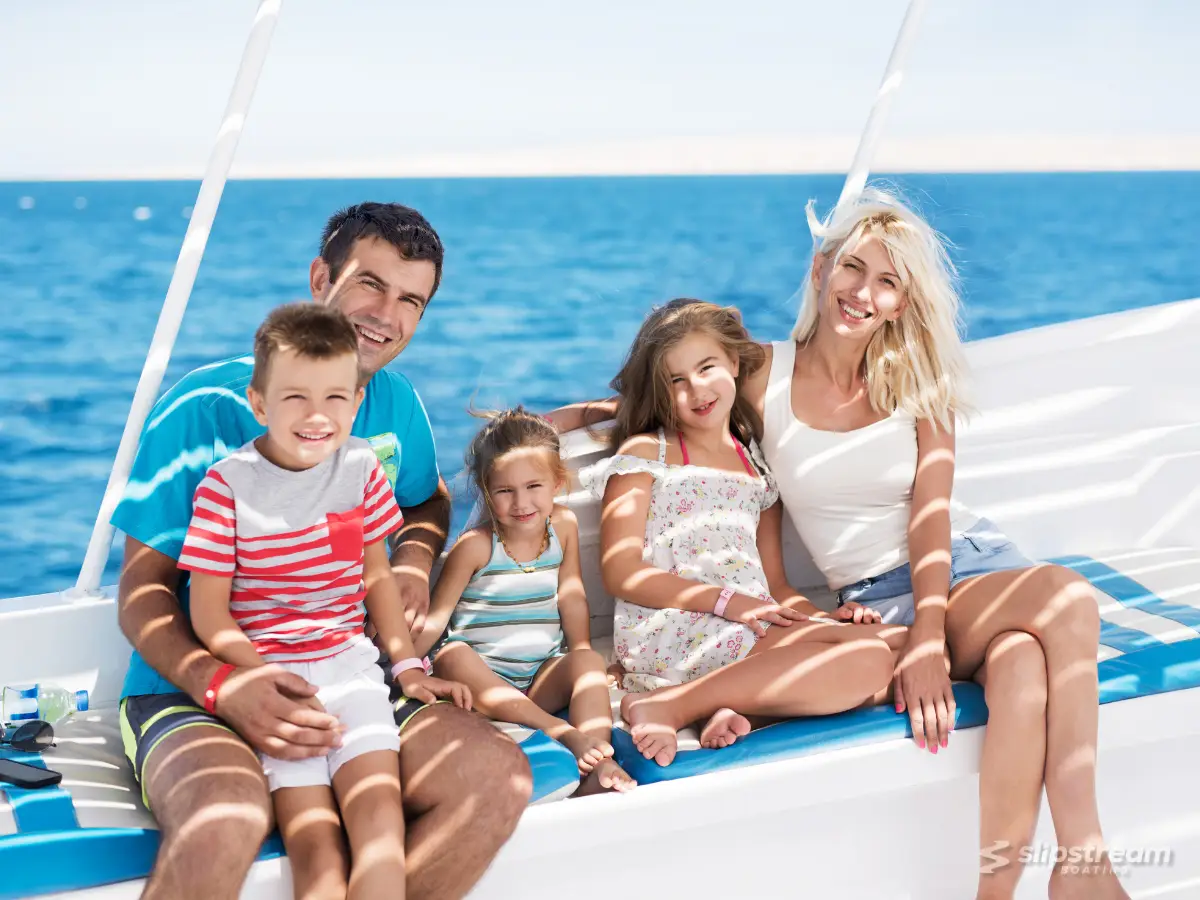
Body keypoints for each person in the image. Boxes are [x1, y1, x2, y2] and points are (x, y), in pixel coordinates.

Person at [550, 189, 1126, 900]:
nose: (863, 292)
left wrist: (928, 639)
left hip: (967, 572)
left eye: (888, 281)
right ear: (822, 268)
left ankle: (1049, 877)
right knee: (1042, 633)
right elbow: (668, 394)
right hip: (883, 598)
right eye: (854, 267)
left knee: (1045, 629)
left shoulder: (920, 385)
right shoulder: (764, 373)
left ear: (903, 302)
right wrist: (546, 425)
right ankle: (1064, 875)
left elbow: (932, 520)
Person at [112, 203, 531, 900]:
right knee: (224, 819)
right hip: (189, 688)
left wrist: (411, 562)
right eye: (370, 283)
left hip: (346, 669)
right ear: (320, 279)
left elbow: (426, 501)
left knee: (496, 778)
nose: (386, 315)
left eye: (411, 300)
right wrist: (222, 684)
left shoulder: (395, 406)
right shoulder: (202, 408)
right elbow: (143, 591)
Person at [181, 303, 473, 899]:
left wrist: (409, 668)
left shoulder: (361, 466)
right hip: (275, 685)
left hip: (352, 671)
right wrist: (263, 679)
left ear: (356, 401)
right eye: (295, 398)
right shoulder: (226, 487)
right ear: (259, 403)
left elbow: (377, 578)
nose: (318, 416)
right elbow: (208, 612)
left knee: (380, 826)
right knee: (315, 842)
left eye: (336, 398)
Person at [586, 299, 896, 768]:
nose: (696, 389)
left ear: (733, 362)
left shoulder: (755, 469)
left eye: (706, 367)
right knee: (871, 661)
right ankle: (669, 706)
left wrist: (828, 620)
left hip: (750, 622)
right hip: (679, 626)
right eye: (676, 380)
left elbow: (776, 588)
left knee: (901, 648)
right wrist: (727, 602)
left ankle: (729, 707)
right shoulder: (646, 454)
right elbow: (620, 571)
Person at [414, 408, 635, 794]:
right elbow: (437, 620)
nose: (521, 503)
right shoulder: (476, 547)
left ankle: (598, 760)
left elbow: (571, 594)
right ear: (486, 490)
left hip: (537, 680)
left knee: (586, 661)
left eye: (534, 486)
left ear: (557, 482)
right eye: (505, 491)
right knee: (453, 655)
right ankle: (563, 733)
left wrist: (581, 653)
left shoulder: (563, 526)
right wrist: (404, 666)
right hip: (480, 685)